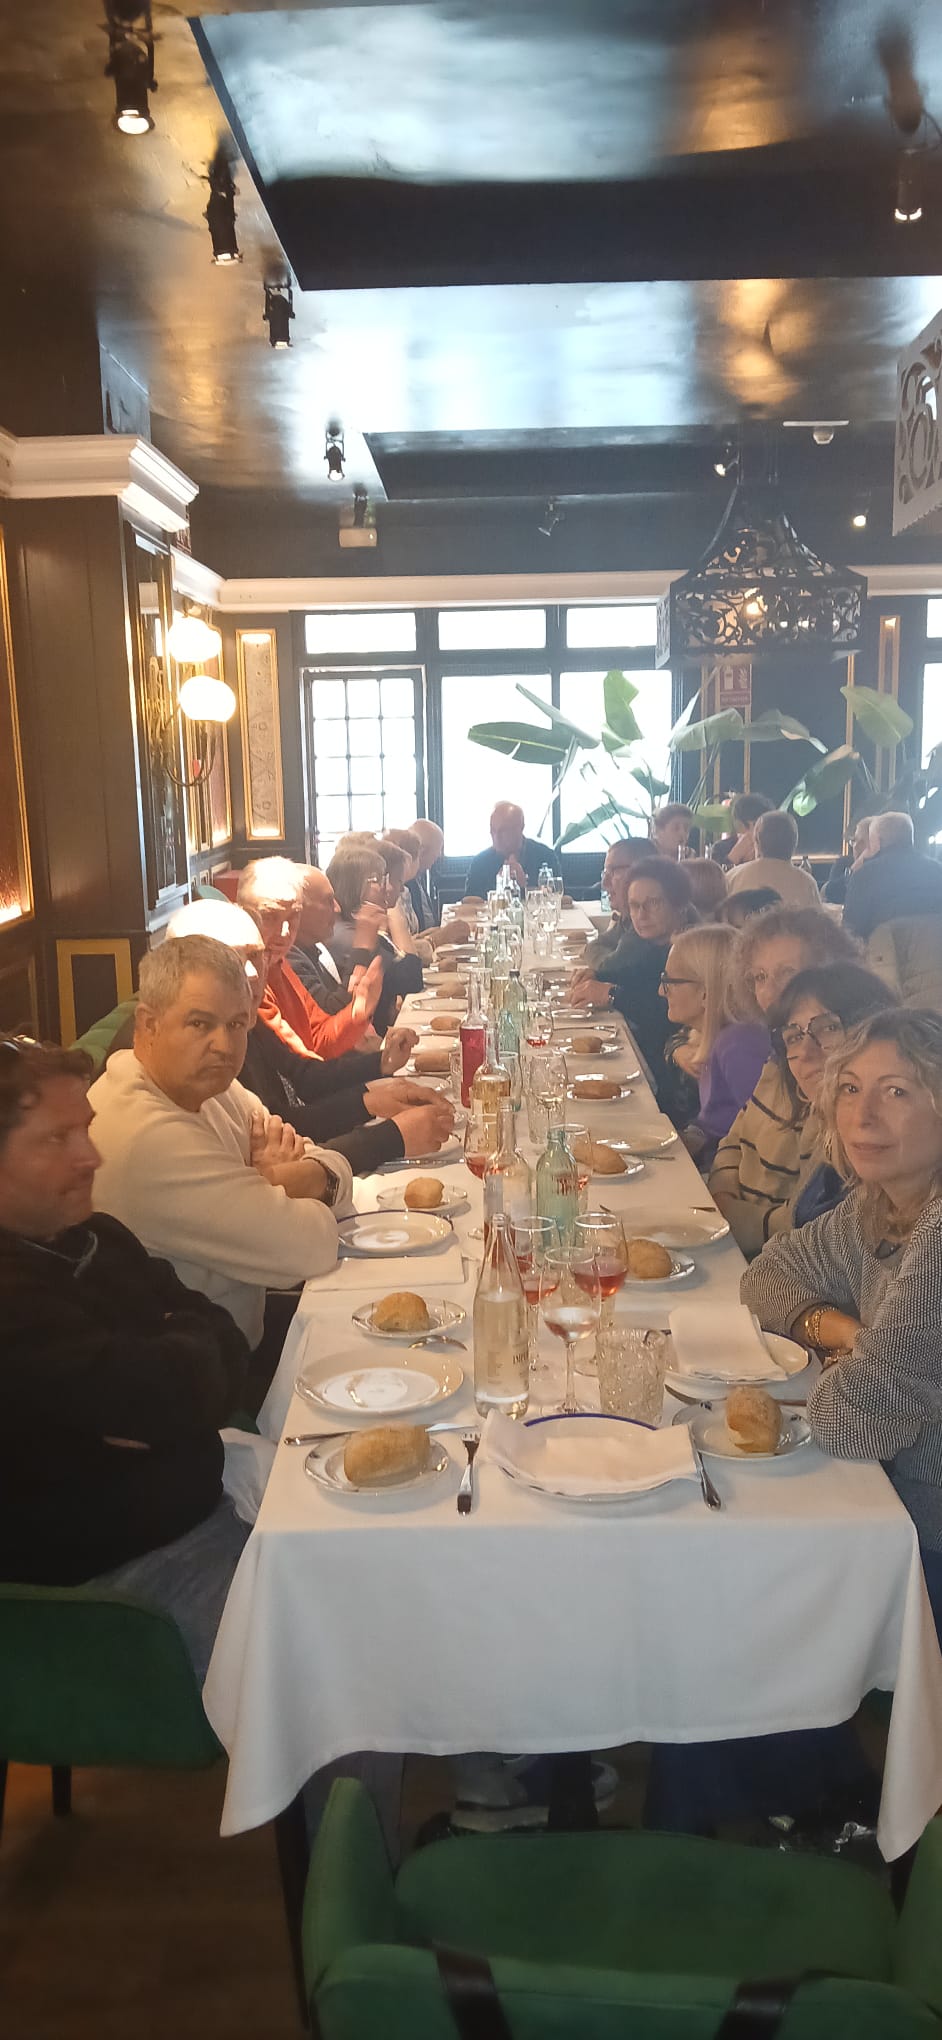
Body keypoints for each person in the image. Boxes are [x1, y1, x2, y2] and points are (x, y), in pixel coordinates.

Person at [0, 1036, 251, 1682]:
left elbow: (223, 1339)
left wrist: (175, 1386)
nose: (91, 1156)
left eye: (84, 1129)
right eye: (56, 1139)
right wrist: (177, 1369)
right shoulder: (13, 1301)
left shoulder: (95, 1237)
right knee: (335, 1638)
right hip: (108, 1595)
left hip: (204, 1504)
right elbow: (166, 1393)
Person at [742, 1007, 942, 1644]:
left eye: (897, 1092)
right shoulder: (879, 1205)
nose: (864, 1116)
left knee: (743, 1593)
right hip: (889, 1499)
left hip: (923, 1533)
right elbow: (765, 1277)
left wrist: (860, 1369)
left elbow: (851, 1418)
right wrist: (850, 1336)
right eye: (851, 1089)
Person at [88, 936, 354, 1362]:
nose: (225, 1046)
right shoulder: (146, 1135)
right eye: (200, 1024)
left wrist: (277, 1181)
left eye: (235, 1025)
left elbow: (332, 1166)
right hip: (197, 1376)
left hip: (241, 1335)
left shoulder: (211, 1087)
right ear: (148, 1024)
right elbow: (311, 1247)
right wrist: (285, 1183)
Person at [166, 902, 452, 1172]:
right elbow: (270, 1160)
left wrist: (377, 1075)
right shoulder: (196, 1057)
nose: (251, 973)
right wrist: (390, 1138)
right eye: (230, 959)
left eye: (255, 955)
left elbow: (304, 1078)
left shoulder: (250, 1017)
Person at [708, 906, 860, 1254]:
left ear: (831, 971)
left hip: (773, 1254)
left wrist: (729, 1218)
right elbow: (733, 1141)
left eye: (787, 972)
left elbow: (807, 1218)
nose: (770, 991)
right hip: (736, 1234)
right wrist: (721, 1194)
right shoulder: (780, 1057)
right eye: (759, 977)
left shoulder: (833, 1075)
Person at [768, 963, 901, 1229]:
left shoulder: (892, 1149)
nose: (806, 1052)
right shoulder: (825, 1131)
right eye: (793, 1037)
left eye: (828, 1028)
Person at [570, 858, 696, 1113]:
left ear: (679, 904)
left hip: (680, 1085)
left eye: (653, 903)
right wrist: (599, 975)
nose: (641, 915)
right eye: (635, 906)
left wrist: (611, 993)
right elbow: (637, 975)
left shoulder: (693, 949)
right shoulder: (652, 943)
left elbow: (663, 1013)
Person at [237, 857, 384, 1058]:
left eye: (293, 916)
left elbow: (317, 1036)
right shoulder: (243, 974)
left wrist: (357, 1014)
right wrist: (378, 1064)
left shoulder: (278, 963)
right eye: (270, 916)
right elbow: (300, 1067)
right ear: (241, 912)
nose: (284, 932)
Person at [659, 924, 769, 1167]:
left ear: (706, 992)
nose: (661, 991)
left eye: (669, 982)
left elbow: (763, 1141)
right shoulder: (714, 1036)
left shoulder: (740, 1045)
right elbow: (716, 1123)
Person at [328, 842, 423, 1032]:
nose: (386, 888)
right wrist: (395, 916)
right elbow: (409, 978)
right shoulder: (346, 935)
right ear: (354, 885)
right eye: (378, 880)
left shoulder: (357, 926)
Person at [843, 811, 942, 942]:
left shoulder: (865, 876)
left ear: (877, 841)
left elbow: (850, 931)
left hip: (880, 952)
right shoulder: (938, 870)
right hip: (935, 951)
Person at [571, 837, 657, 983]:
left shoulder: (649, 918)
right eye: (605, 873)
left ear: (639, 872)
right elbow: (597, 945)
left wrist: (592, 953)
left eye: (614, 872)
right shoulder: (628, 916)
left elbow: (610, 967)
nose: (604, 883)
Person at [726, 809, 820, 909]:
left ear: (757, 841)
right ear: (794, 843)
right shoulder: (807, 884)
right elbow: (816, 918)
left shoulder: (733, 877)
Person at [464, 802, 560, 899]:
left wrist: (523, 887)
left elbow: (556, 898)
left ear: (521, 827)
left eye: (503, 830)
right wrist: (501, 885)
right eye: (493, 830)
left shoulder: (546, 856)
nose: (496, 837)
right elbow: (470, 902)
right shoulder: (480, 863)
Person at [710, 791, 774, 870]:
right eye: (756, 824)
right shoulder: (720, 849)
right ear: (740, 825)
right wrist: (733, 857)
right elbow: (714, 876)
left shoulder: (774, 850)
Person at [823, 815, 872, 907]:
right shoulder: (843, 864)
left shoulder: (886, 870)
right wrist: (853, 870)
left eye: (862, 842)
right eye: (854, 841)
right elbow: (830, 893)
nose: (856, 846)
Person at [406, 818, 444, 932]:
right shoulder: (403, 882)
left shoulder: (419, 875)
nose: (439, 855)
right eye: (437, 851)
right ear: (421, 851)